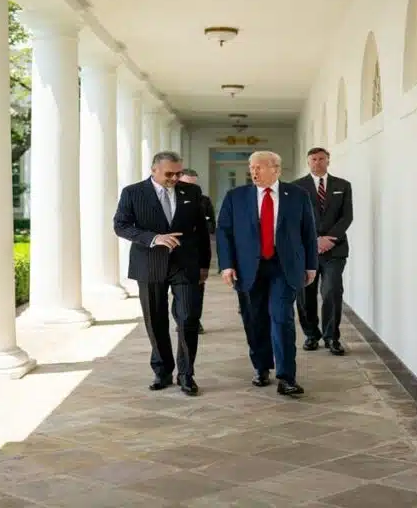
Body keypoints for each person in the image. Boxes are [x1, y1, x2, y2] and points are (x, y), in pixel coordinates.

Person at [216, 151, 317, 396]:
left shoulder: (297, 195)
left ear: (276, 169)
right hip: (249, 269)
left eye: (259, 167)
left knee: (282, 318)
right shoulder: (235, 197)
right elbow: (224, 232)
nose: (254, 172)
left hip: (284, 267)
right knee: (255, 320)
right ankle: (261, 367)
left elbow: (308, 232)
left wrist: (311, 265)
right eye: (252, 167)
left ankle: (286, 377)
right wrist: (227, 265)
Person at [114, 151, 211, 396]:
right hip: (149, 264)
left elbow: (201, 231)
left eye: (178, 173)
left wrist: (204, 265)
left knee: (188, 318)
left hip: (185, 264)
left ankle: (186, 374)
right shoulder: (132, 192)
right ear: (154, 169)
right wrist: (154, 238)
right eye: (169, 173)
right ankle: (162, 370)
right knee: (155, 321)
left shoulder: (192, 192)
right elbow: (121, 225)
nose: (175, 178)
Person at [293, 147, 353, 355]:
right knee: (305, 294)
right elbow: (294, 219)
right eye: (313, 159)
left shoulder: (342, 186)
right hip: (306, 250)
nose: (317, 162)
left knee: (332, 291)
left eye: (321, 159)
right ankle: (311, 334)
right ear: (308, 162)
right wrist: (314, 240)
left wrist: (330, 239)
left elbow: (347, 217)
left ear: (328, 161)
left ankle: (331, 337)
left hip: (334, 250)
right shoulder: (296, 187)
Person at [179, 168, 215, 334]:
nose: (190, 188)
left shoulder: (203, 200)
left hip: (196, 252)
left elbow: (209, 224)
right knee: (179, 295)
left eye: (193, 184)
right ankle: (182, 320)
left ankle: (194, 320)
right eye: (186, 183)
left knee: (196, 291)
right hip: (175, 253)